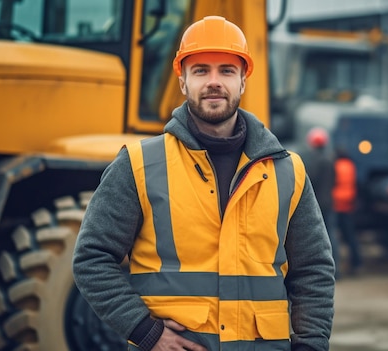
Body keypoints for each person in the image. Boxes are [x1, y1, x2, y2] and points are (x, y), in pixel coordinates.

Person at [72, 16, 335, 351]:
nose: (214, 82)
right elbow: (92, 258)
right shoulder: (138, 164)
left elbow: (313, 270)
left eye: (226, 70)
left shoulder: (289, 171)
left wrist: (311, 344)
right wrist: (144, 331)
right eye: (201, 71)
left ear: (243, 81)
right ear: (182, 81)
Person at [299, 127, 340, 278]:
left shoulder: (313, 161)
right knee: (331, 236)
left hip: (316, 204)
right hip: (329, 202)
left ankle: (322, 271)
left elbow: (310, 182)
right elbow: (335, 181)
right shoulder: (330, 160)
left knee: (316, 238)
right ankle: (336, 269)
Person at [332, 145, 363, 276]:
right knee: (351, 236)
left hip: (337, 204)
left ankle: (336, 265)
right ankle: (357, 263)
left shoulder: (336, 166)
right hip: (349, 203)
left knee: (334, 236)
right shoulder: (351, 165)